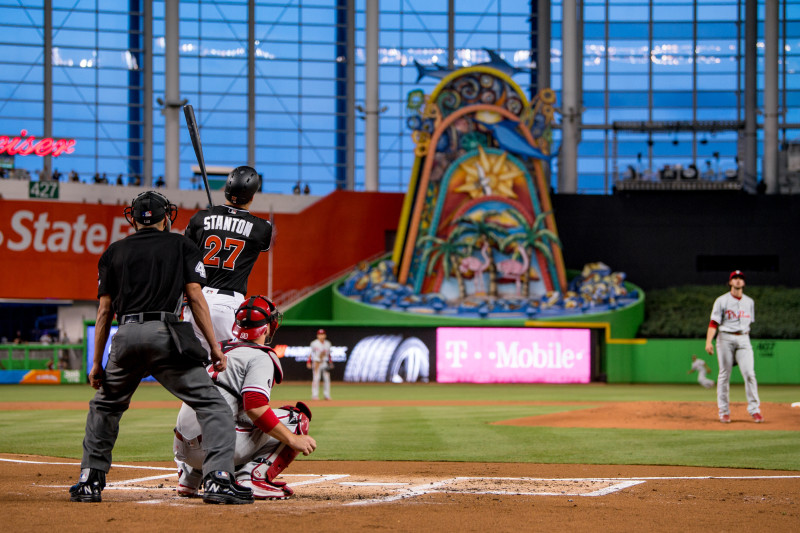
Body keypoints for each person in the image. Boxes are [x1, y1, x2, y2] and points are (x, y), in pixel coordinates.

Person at [69, 190, 253, 505]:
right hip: (167, 336)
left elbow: (103, 314)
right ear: (167, 216)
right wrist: (214, 347)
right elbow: (196, 298)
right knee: (213, 407)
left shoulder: (114, 252)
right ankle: (219, 480)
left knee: (105, 407)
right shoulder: (183, 245)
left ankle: (89, 480)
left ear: (133, 217)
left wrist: (97, 364)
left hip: (125, 336)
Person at [174, 296, 316, 499]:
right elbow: (255, 407)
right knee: (296, 418)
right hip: (215, 448)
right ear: (267, 327)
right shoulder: (260, 356)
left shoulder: (218, 348)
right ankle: (253, 478)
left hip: (182, 448)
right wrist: (293, 439)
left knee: (217, 411)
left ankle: (189, 479)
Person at [183, 166, 272, 356]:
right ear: (253, 196)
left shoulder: (200, 218)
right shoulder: (262, 228)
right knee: (226, 370)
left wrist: (214, 216)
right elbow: (262, 244)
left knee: (196, 372)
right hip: (228, 304)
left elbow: (187, 249)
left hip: (196, 300)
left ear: (226, 189)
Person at [705, 270, 763, 424]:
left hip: (744, 338)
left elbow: (749, 323)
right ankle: (724, 411)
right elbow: (713, 323)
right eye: (735, 278)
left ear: (743, 283)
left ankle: (755, 410)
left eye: (740, 278)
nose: (738, 280)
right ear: (730, 282)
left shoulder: (749, 302)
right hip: (725, 338)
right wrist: (708, 341)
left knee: (750, 374)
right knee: (724, 375)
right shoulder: (721, 301)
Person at [307, 329, 333, 400]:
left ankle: (327, 395)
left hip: (325, 363)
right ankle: (315, 395)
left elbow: (329, 354)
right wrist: (308, 362)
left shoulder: (328, 343)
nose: (321, 336)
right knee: (316, 379)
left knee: (327, 379)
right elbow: (310, 353)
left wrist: (330, 362)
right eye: (320, 334)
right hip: (316, 363)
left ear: (325, 335)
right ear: (317, 335)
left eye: (323, 334)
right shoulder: (314, 343)